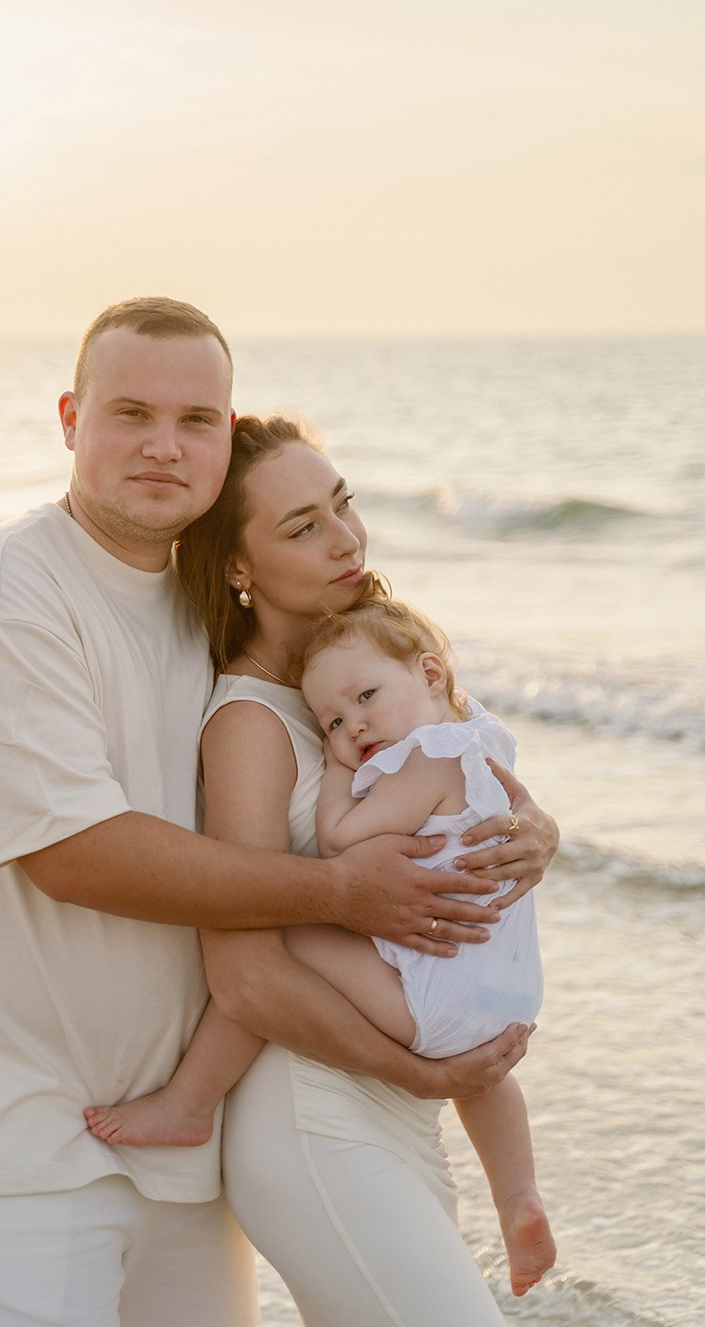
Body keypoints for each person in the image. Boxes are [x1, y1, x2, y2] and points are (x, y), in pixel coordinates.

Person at [0, 307, 556, 1327]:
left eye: (195, 419)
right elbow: (77, 856)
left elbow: (436, 760)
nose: (164, 444)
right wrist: (345, 894)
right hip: (25, 1129)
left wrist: (531, 835)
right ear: (70, 419)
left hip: (178, 1141)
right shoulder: (4, 592)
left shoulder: (220, 626)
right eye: (130, 413)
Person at [87, 411, 558, 1324]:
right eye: (302, 527)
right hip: (316, 1109)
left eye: (343, 506)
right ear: (238, 567)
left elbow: (475, 775)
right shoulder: (252, 725)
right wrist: (422, 1073)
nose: (345, 540)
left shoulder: (364, 671)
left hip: (403, 1106)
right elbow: (248, 973)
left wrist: (541, 834)